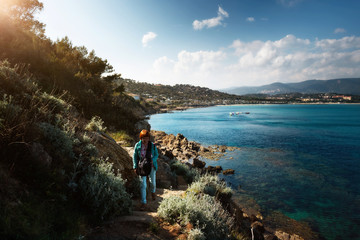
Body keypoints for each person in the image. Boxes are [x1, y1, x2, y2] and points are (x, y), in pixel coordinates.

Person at [133, 129, 159, 210]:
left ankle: (153, 191)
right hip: (142, 167)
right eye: (144, 138)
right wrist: (135, 167)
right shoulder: (137, 145)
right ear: (141, 138)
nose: (145, 140)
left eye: (147, 138)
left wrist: (152, 160)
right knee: (143, 185)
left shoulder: (152, 145)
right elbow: (135, 157)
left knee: (152, 183)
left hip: (151, 166)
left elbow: (156, 155)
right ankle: (143, 202)